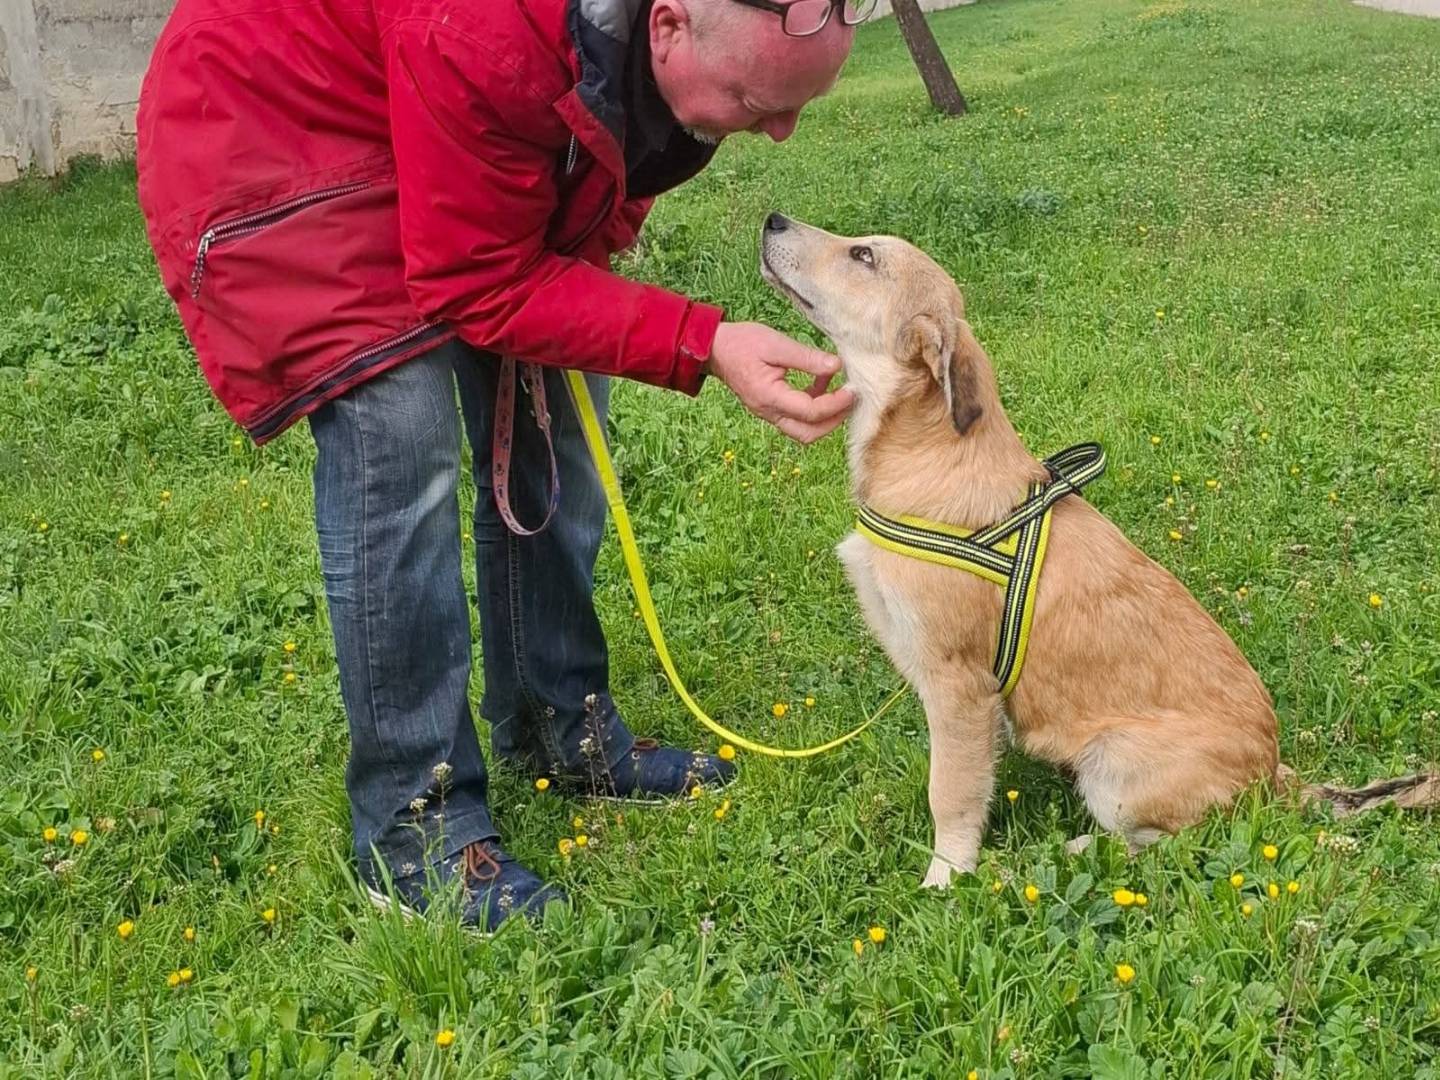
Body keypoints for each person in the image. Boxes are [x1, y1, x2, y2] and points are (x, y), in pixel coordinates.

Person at [135, 0, 868, 930]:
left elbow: (610, 148)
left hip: (421, 99)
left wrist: (600, 253)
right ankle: (412, 824)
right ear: (671, 25)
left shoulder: (650, 48)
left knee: (560, 397)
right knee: (399, 432)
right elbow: (478, 280)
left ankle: (558, 725)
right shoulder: (482, 33)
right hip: (267, 125)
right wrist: (702, 340)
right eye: (759, 100)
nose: (780, 130)